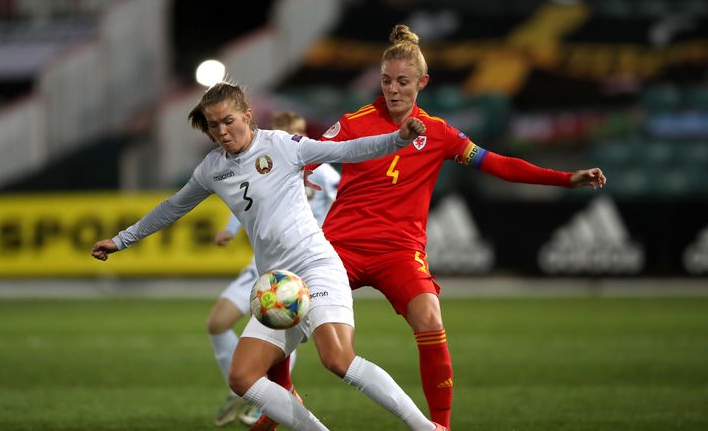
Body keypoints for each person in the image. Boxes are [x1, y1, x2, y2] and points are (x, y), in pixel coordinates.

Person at [258, 24, 607, 430]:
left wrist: (566, 178)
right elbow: (307, 156)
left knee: (430, 317)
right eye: (387, 80)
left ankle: (440, 426)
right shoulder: (355, 123)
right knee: (285, 308)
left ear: (422, 82)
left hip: (399, 252)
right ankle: (280, 400)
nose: (393, 89)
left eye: (403, 82)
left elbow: (499, 164)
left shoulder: (440, 134)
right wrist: (298, 175)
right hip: (341, 248)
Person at [91, 81, 449, 431]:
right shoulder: (212, 169)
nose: (222, 131)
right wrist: (123, 240)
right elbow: (172, 208)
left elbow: (346, 151)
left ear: (248, 115)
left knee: (338, 359)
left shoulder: (281, 145)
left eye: (228, 121)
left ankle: (426, 428)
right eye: (214, 125)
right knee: (242, 377)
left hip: (315, 266)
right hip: (277, 286)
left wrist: (398, 139)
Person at [207, 111, 341, 427]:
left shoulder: (324, 173)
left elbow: (344, 205)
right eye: (281, 133)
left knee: (284, 324)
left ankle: (270, 394)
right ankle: (250, 392)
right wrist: (231, 228)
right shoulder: (262, 163)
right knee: (217, 322)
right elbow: (247, 202)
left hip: (302, 263)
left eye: (294, 133)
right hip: (264, 264)